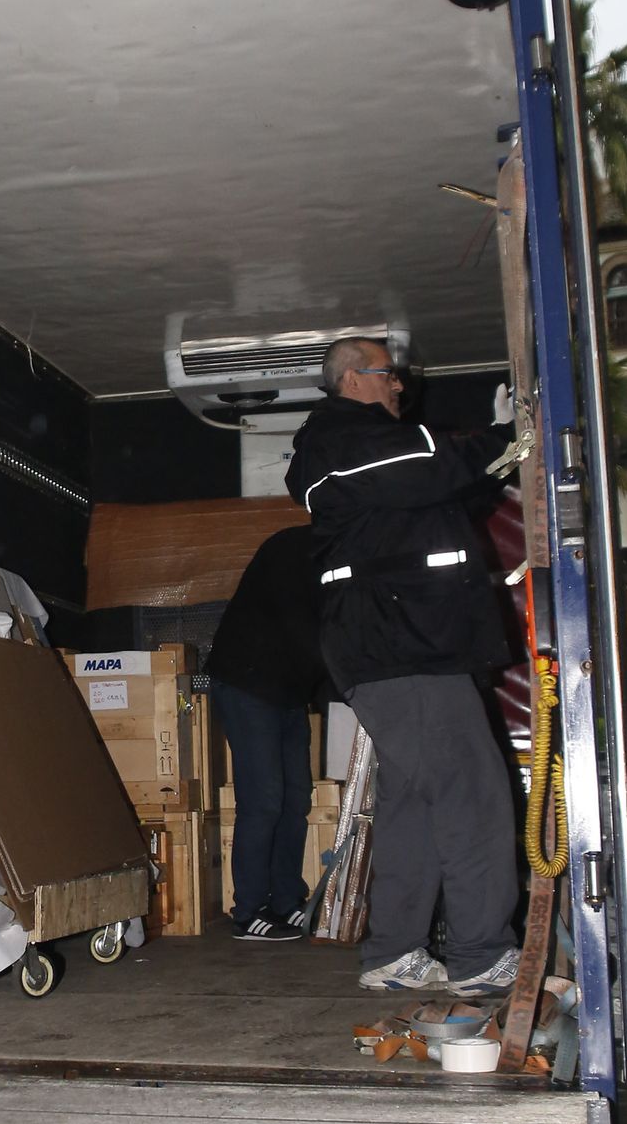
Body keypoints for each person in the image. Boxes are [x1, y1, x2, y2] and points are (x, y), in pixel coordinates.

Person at [283, 337, 519, 998]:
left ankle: (394, 952)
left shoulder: (380, 458)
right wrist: (504, 435)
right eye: (390, 374)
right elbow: (429, 466)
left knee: (413, 806)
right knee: (472, 796)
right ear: (354, 379)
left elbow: (445, 490)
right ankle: (480, 956)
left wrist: (499, 455)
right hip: (402, 646)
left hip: (403, 645)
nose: (400, 386)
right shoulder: (343, 437)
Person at [206, 526, 325, 945]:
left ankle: (286, 901)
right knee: (264, 800)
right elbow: (308, 628)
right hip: (248, 683)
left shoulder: (340, 553)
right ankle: (248, 911)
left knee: (296, 799)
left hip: (289, 691)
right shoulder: (295, 548)